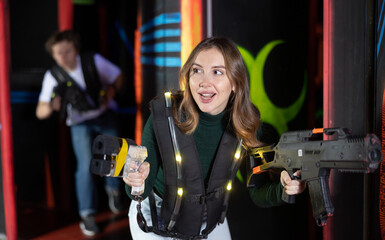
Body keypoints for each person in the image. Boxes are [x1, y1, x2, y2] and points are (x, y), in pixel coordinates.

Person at [123, 36, 306, 239]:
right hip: (156, 215)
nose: (204, 82)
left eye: (217, 72)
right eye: (197, 70)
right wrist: (136, 180)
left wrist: (285, 188)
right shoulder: (164, 115)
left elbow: (258, 193)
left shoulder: (245, 122)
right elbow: (139, 189)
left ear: (235, 83)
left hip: (205, 216)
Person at [36, 30, 125, 236]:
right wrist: (52, 105)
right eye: (59, 53)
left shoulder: (92, 60)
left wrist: (111, 89)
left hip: (105, 114)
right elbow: (40, 111)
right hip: (79, 123)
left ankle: (114, 190)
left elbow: (119, 76)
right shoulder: (53, 76)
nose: (64, 57)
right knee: (85, 166)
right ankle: (87, 214)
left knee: (115, 158)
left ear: (75, 49)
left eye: (67, 51)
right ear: (53, 55)